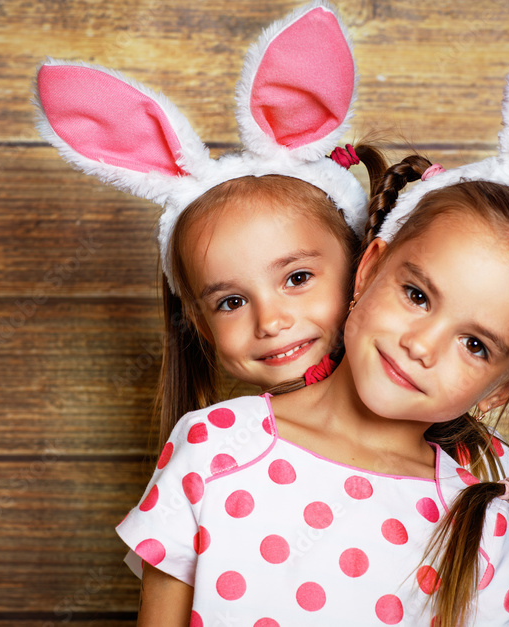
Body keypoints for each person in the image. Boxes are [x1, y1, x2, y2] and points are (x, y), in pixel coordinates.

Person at [117, 0, 509, 623]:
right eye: (418, 296)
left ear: (507, 384)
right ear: (368, 268)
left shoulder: (479, 509)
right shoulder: (213, 448)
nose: (422, 344)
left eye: (476, 344)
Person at [34, 1, 386, 447]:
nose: (271, 322)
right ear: (201, 324)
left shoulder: (460, 451)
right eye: (231, 302)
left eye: (297, 278)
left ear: (363, 268)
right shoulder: (212, 451)